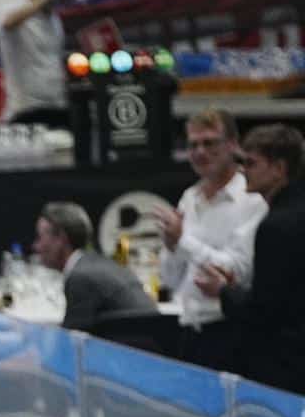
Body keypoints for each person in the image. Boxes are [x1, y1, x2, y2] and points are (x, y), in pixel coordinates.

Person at [154, 110, 266, 372]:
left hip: (232, 333)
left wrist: (183, 241)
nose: (200, 152)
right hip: (190, 330)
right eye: (193, 144)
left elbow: (236, 271)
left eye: (210, 143)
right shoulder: (189, 198)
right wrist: (171, 248)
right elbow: (170, 280)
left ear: (232, 145)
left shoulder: (252, 199)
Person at [202, 124, 305, 395]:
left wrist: (224, 291)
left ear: (279, 169)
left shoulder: (277, 225)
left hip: (286, 369)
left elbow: (265, 311)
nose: (243, 170)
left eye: (251, 163)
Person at [33, 201, 158, 331]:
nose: (36, 246)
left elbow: (70, 342)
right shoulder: (102, 264)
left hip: (132, 347)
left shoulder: (80, 278)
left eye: (40, 237)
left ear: (60, 239)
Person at [0, 0, 75, 127]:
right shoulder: (10, 10)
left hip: (57, 105)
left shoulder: (53, 18)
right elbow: (8, 23)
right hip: (26, 109)